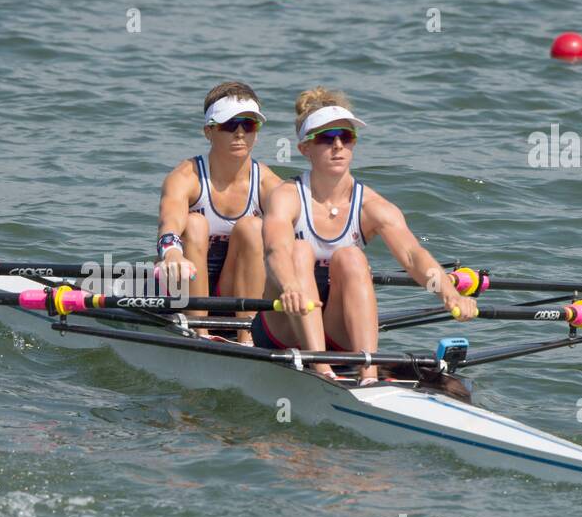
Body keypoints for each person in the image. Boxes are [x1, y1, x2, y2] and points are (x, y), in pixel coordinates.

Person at [252, 86, 477, 380]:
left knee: (351, 257)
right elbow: (275, 250)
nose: (337, 146)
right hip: (282, 325)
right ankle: (321, 369)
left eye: (346, 137)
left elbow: (412, 255)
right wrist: (291, 286)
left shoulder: (373, 205)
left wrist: (449, 295)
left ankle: (368, 373)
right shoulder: (286, 196)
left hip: (336, 332)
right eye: (325, 138)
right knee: (299, 248)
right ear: (305, 148)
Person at [155, 81, 284, 343]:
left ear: (256, 133)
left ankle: (247, 337)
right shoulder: (185, 177)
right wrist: (171, 252)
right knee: (194, 223)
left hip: (233, 291)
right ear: (208, 131)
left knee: (253, 227)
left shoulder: (268, 184)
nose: (239, 133)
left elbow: (299, 227)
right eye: (229, 125)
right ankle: (198, 332)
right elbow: (170, 220)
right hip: (182, 288)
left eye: (248, 124)